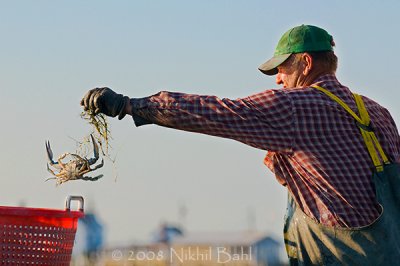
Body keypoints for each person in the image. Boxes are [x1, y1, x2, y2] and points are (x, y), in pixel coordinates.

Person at [81, 25, 400, 264]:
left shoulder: (294, 106)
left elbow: (218, 112)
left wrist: (130, 105)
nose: (277, 79)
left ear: (305, 63)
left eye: (282, 68)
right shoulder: (377, 113)